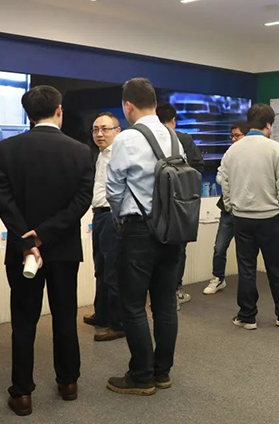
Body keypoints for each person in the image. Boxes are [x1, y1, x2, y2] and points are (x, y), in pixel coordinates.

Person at [0, 85, 94, 416]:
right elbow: (81, 201)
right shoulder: (80, 151)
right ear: (59, 110)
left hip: (22, 253)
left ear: (28, 114)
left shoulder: (8, 148)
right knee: (65, 317)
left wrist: (28, 241)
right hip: (64, 250)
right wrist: (46, 234)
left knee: (24, 321)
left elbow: (4, 200)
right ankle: (68, 383)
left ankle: (22, 393)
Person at [106, 78, 184, 395]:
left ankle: (141, 376)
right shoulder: (174, 137)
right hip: (173, 230)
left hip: (138, 230)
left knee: (134, 305)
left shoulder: (127, 138)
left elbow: (114, 189)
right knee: (165, 304)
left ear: (128, 106)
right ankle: (162, 372)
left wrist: (118, 216)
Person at [219, 103, 279, 330]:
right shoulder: (275, 149)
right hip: (271, 218)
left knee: (246, 268)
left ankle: (246, 316)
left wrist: (231, 207)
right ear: (268, 124)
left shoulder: (232, 150)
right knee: (278, 268)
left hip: (241, 218)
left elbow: (224, 183)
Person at [155, 102, 204, 309]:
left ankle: (157, 292)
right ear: (174, 120)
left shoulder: (143, 139)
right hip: (179, 204)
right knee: (178, 248)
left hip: (152, 205)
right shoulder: (184, 139)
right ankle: (175, 291)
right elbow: (198, 167)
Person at [86, 112, 125, 341]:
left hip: (113, 216)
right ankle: (102, 314)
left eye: (105, 129)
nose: (99, 134)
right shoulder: (101, 155)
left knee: (113, 271)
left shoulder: (120, 155)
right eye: (95, 129)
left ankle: (118, 323)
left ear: (117, 131)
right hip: (99, 216)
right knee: (100, 267)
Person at [203, 121, 249, 295]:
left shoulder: (253, 156)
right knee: (220, 247)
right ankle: (218, 278)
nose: (233, 139)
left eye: (237, 135)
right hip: (228, 208)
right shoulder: (229, 154)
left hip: (247, 209)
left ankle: (247, 281)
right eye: (232, 136)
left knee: (246, 250)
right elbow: (219, 178)